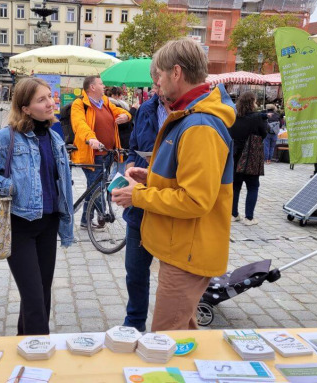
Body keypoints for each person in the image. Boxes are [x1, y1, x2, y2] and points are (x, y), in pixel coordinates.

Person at [112, 38, 235, 330]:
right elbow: (188, 180)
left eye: (160, 76)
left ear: (176, 73)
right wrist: (151, 177)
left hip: (188, 251)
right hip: (183, 247)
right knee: (182, 336)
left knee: (168, 337)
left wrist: (138, 195)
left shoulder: (200, 125)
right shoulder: (191, 117)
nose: (157, 83)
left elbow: (195, 200)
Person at [0, 78, 74, 335]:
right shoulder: (6, 138)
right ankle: (41, 347)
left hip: (48, 224)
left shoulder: (54, 138)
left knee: (41, 294)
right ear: (25, 108)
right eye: (42, 99)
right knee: (34, 296)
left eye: (50, 97)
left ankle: (23, 341)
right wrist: (9, 186)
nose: (50, 103)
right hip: (20, 226)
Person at [121, 57, 170, 332]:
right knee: (135, 271)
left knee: (172, 275)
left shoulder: (189, 115)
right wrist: (130, 166)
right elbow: (133, 147)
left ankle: (168, 324)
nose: (156, 88)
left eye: (158, 81)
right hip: (139, 202)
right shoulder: (146, 109)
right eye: (153, 83)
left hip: (171, 203)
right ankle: (135, 321)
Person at [70, 75, 131, 228]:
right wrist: (91, 139)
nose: (104, 86)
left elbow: (119, 111)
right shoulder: (79, 104)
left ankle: (85, 220)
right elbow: (80, 124)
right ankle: (103, 213)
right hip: (91, 154)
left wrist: (125, 116)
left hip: (108, 153)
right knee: (97, 187)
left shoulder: (105, 101)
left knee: (94, 187)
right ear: (92, 87)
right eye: (101, 83)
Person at [230, 92, 267, 226]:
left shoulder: (234, 117)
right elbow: (264, 133)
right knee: (253, 186)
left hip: (235, 157)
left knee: (235, 186)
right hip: (251, 157)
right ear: (252, 103)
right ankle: (249, 218)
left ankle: (233, 214)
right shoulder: (257, 118)